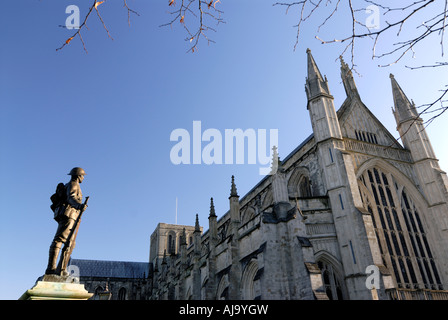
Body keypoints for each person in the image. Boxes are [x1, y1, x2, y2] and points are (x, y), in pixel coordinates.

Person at [45, 167, 88, 276]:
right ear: (78, 176)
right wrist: (79, 205)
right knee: (60, 240)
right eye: (82, 175)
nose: (83, 178)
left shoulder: (71, 184)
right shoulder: (74, 184)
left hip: (72, 215)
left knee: (70, 243)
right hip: (70, 215)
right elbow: (71, 197)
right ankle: (52, 268)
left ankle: (61, 269)